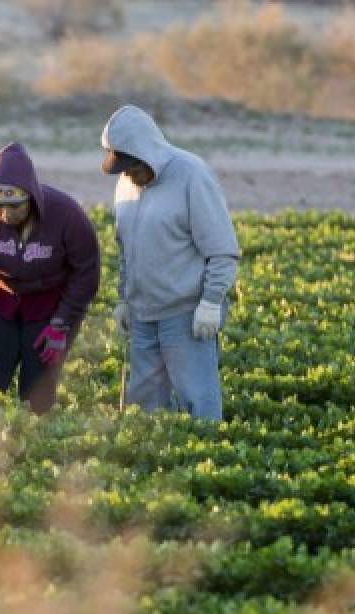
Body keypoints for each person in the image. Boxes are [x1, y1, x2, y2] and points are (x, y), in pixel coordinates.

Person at [100, 105, 240, 421]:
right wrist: (125, 298)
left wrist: (211, 302)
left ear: (147, 153)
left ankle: (204, 463)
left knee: (198, 402)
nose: (127, 175)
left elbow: (222, 250)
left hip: (185, 313)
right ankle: (155, 467)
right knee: (144, 408)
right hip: (142, 313)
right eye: (121, 168)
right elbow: (126, 249)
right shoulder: (125, 183)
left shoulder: (192, 175)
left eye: (133, 167)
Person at [0, 142, 101, 413]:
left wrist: (62, 323)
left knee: (36, 396)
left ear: (30, 196)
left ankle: (33, 449)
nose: (6, 213)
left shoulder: (66, 215)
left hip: (49, 308)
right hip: (0, 302)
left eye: (14, 205)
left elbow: (86, 272)